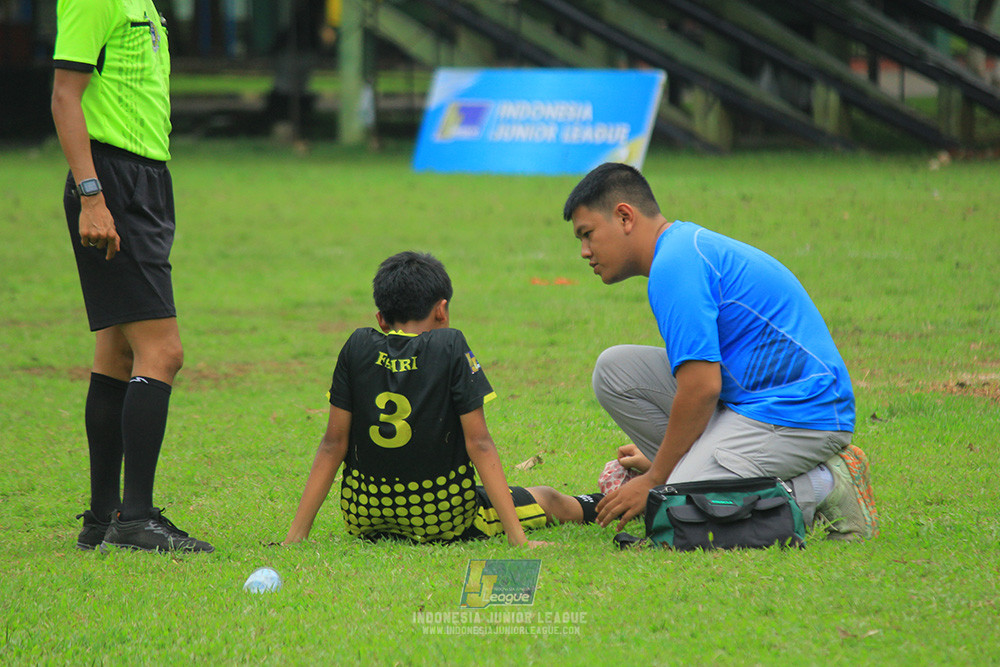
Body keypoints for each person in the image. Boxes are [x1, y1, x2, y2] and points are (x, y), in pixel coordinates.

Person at [563, 162, 879, 541]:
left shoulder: (675, 265)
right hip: (750, 402)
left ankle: (825, 483)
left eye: (588, 234)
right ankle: (703, 468)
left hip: (801, 412)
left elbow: (701, 388)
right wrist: (660, 465)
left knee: (676, 508)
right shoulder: (678, 250)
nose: (584, 251)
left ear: (625, 217)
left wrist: (655, 477)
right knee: (615, 370)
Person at [284, 252, 602, 546]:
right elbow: (479, 444)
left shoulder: (356, 346)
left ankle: (299, 534)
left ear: (381, 319)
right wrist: (518, 539)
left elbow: (332, 444)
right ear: (442, 310)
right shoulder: (449, 346)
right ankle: (610, 503)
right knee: (547, 498)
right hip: (443, 516)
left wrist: (294, 539)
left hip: (366, 516)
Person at [52, 0, 212, 553]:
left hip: (144, 178)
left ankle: (102, 517)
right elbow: (64, 95)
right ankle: (136, 519)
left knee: (116, 354)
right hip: (113, 181)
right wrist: (92, 195)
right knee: (163, 352)